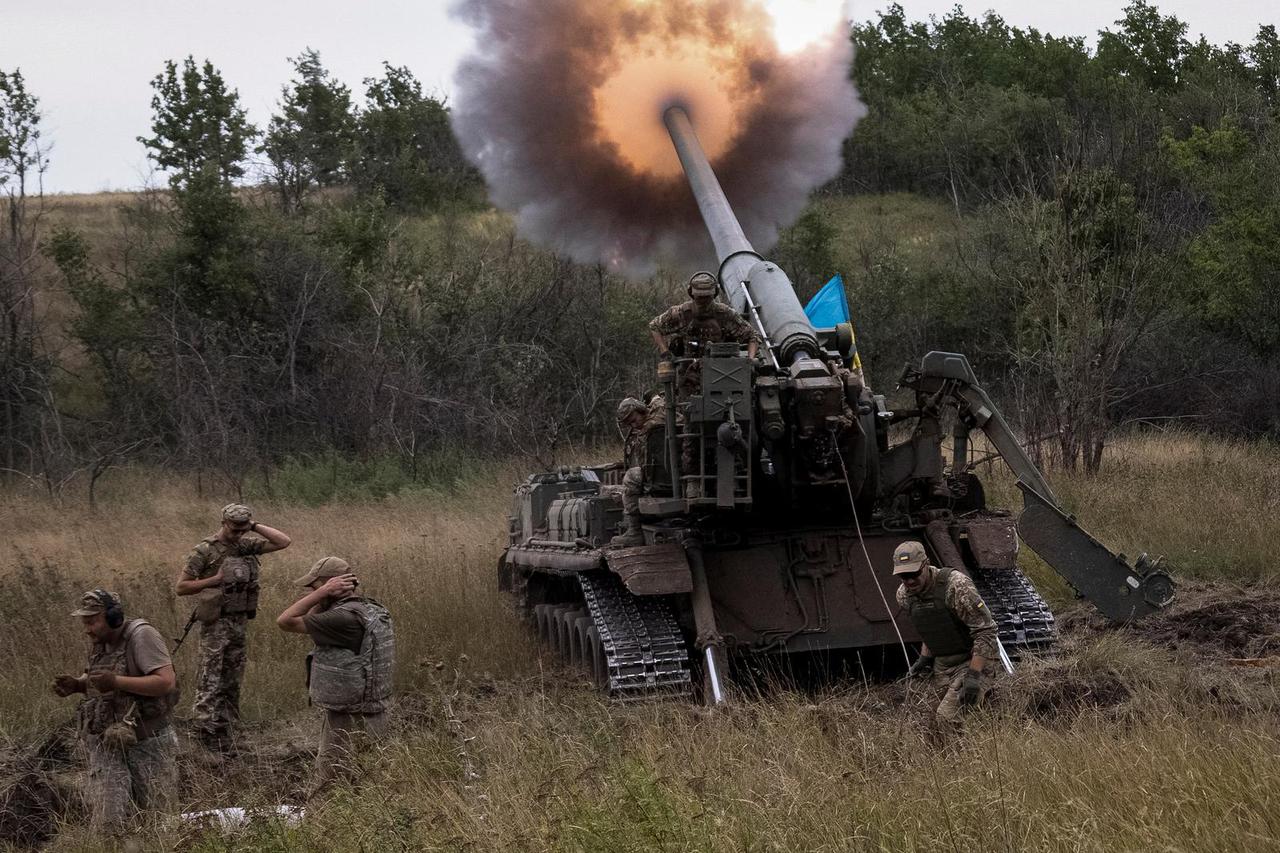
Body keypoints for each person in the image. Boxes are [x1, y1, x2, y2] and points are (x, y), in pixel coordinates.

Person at [52, 590, 179, 829]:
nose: (87, 629)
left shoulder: (142, 636)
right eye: (84, 622)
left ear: (113, 617)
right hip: (106, 741)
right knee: (109, 819)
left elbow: (165, 682)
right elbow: (97, 678)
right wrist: (78, 685)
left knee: (159, 818)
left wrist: (117, 682)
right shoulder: (101, 643)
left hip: (146, 740)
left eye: (92, 621)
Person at [276, 556, 395, 801]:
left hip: (348, 717)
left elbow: (285, 621)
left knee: (328, 783)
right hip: (375, 710)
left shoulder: (341, 619)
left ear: (331, 585)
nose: (311, 590)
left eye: (313, 586)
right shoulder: (370, 609)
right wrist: (324, 595)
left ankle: (319, 830)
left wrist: (323, 593)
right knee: (370, 780)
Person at [175, 503, 291, 752]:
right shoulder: (204, 551)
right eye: (234, 528)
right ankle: (204, 730)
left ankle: (227, 729)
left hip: (238, 621)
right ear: (223, 523)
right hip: (216, 621)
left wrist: (255, 527)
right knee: (210, 676)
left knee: (232, 677)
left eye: (242, 528)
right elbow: (182, 587)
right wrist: (214, 580)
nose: (238, 533)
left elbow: (284, 542)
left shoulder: (245, 544)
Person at [892, 541, 998, 731]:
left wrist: (974, 676)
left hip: (971, 660)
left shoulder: (955, 586)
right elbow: (931, 626)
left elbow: (986, 631)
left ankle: (966, 758)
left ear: (926, 564)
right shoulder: (904, 596)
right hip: (943, 665)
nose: (909, 581)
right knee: (939, 721)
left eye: (914, 574)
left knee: (946, 719)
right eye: (903, 576)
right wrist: (924, 659)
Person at [648, 271, 761, 393]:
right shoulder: (681, 314)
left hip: (722, 375)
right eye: (699, 297)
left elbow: (752, 336)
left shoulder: (725, 314)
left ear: (714, 294)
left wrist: (749, 361)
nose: (703, 301)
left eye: (707, 297)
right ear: (692, 294)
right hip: (688, 377)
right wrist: (665, 351)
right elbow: (655, 326)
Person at [611, 395, 667, 547]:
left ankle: (634, 531)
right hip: (672, 472)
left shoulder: (653, 423)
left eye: (634, 420)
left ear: (641, 410)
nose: (635, 425)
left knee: (630, 477)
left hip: (664, 475)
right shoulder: (662, 412)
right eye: (630, 424)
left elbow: (645, 465)